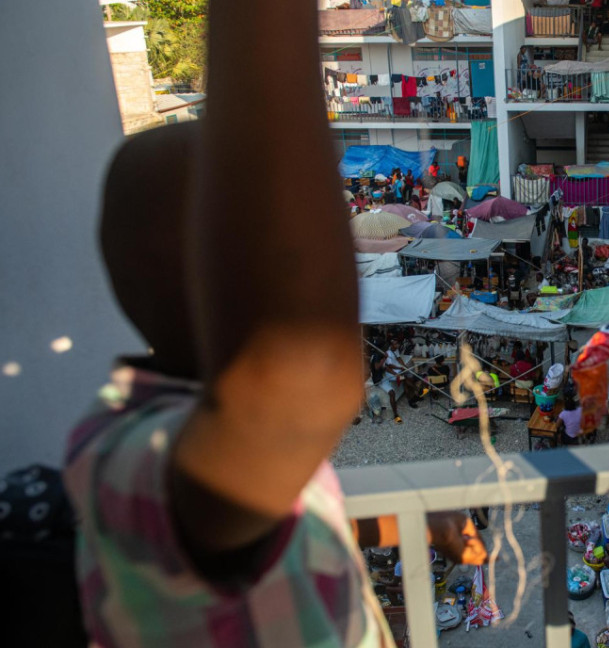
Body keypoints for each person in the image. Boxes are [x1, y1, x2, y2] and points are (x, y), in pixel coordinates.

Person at [62, 1, 487, 644]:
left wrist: (406, 524)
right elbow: (300, 378)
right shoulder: (133, 460)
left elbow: (281, 523)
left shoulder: (171, 433)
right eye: (263, 233)